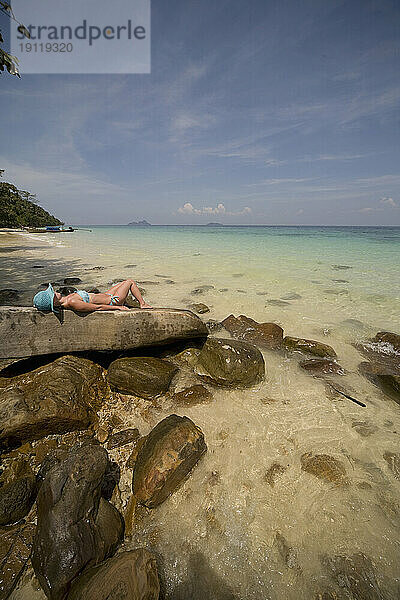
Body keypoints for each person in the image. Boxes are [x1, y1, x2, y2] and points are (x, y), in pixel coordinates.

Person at [33, 279, 152, 313]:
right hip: (113, 301)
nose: (54, 292)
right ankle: (142, 304)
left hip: (107, 295)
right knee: (129, 282)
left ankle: (137, 302)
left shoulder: (67, 299)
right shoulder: (72, 303)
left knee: (122, 282)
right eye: (52, 294)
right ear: (54, 303)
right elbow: (97, 307)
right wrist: (118, 307)